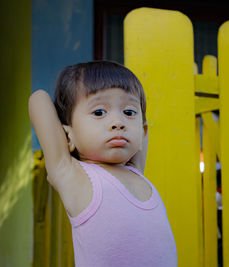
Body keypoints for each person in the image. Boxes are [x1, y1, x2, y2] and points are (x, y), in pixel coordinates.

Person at [29, 61, 177, 266]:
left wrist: (134, 119)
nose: (118, 122)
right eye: (99, 112)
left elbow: (142, 130)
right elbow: (39, 100)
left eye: (128, 112)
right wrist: (68, 136)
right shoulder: (73, 177)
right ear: (67, 135)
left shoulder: (136, 173)